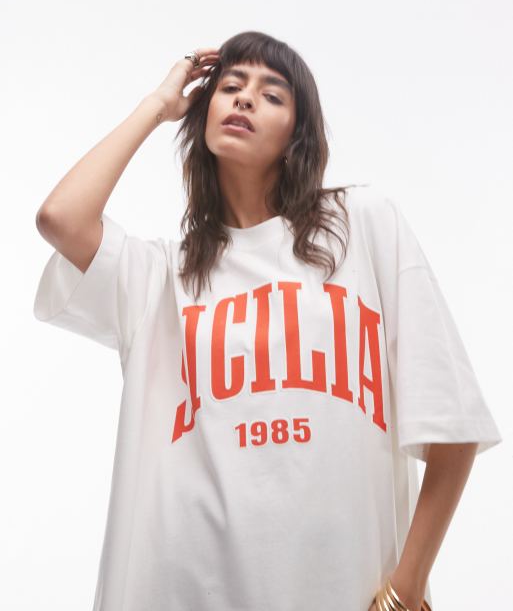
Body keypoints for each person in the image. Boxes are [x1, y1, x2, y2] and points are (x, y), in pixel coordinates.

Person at [33, 31, 502, 611]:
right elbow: (61, 218)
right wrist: (157, 106)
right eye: (230, 86)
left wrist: (403, 594)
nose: (245, 98)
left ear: (296, 135)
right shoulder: (161, 275)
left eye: (272, 94)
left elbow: (452, 423)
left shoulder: (361, 227)